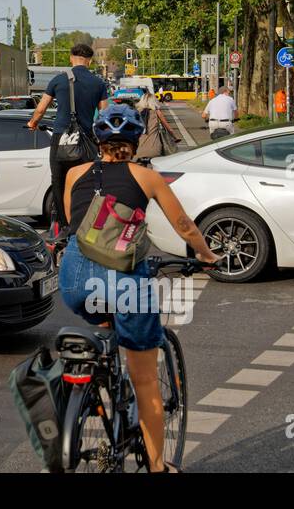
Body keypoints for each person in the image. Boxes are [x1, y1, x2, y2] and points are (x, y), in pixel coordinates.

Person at [60, 104, 218, 472]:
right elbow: (182, 224)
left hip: (74, 281)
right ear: (135, 141)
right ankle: (159, 467)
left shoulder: (74, 174)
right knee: (145, 379)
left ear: (98, 141)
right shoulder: (147, 178)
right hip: (123, 283)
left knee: (100, 317)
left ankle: (96, 386)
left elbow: (74, 223)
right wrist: (206, 255)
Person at [26, 43, 109, 236]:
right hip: (86, 140)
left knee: (59, 181)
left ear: (71, 58)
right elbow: (104, 114)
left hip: (61, 138)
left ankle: (65, 225)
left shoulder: (59, 80)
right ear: (89, 60)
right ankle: (86, 222)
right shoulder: (99, 83)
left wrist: (32, 123)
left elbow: (41, 109)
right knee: (86, 181)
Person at [135, 90, 177, 159]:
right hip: (155, 150)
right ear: (154, 102)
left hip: (137, 151)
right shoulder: (157, 112)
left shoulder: (136, 113)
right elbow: (169, 128)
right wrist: (175, 137)